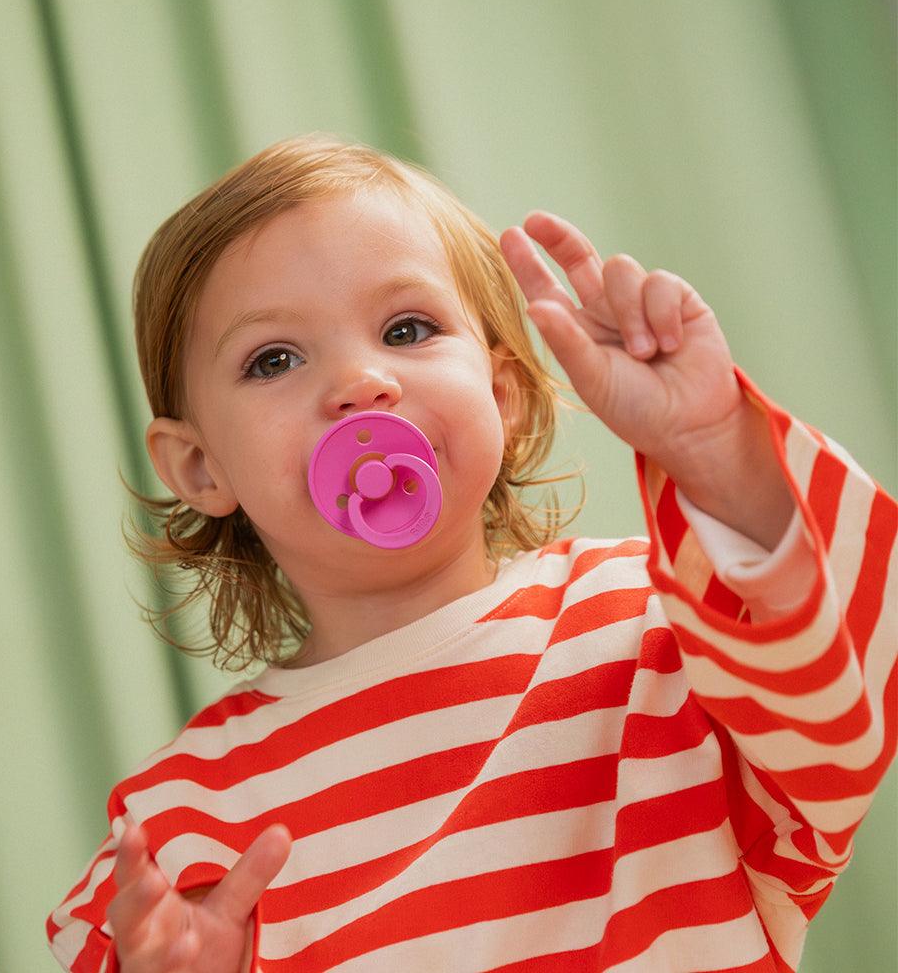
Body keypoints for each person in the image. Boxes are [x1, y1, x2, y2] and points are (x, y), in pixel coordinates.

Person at [46, 133, 897, 973]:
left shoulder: (655, 625)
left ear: (503, 394)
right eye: (274, 359)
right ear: (200, 466)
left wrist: (714, 448)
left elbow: (842, 714)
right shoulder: (183, 819)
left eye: (407, 329)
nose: (359, 382)